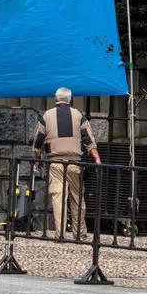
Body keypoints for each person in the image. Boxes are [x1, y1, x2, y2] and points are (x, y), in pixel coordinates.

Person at [32, 86, 102, 239]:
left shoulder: (47, 116)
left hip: (55, 162)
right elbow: (88, 139)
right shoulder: (78, 115)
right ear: (70, 99)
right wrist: (96, 157)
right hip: (74, 162)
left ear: (56, 99)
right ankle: (79, 232)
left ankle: (60, 233)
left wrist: (38, 160)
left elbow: (38, 141)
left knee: (58, 197)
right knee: (77, 197)